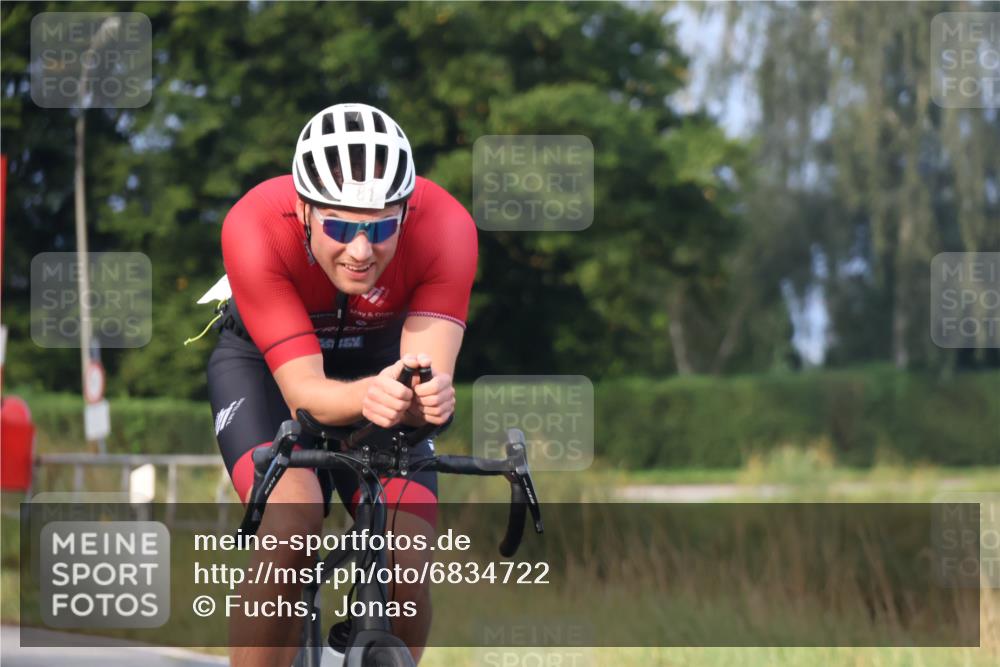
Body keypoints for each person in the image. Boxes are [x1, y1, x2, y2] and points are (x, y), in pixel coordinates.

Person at [205, 102, 478, 666]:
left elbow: (427, 371)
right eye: (339, 226)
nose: (360, 251)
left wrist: (429, 399)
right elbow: (306, 393)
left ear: (405, 213)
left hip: (381, 367)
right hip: (268, 372)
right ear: (304, 210)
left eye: (380, 228)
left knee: (409, 554)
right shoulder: (255, 224)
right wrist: (373, 395)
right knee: (292, 527)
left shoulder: (446, 227)